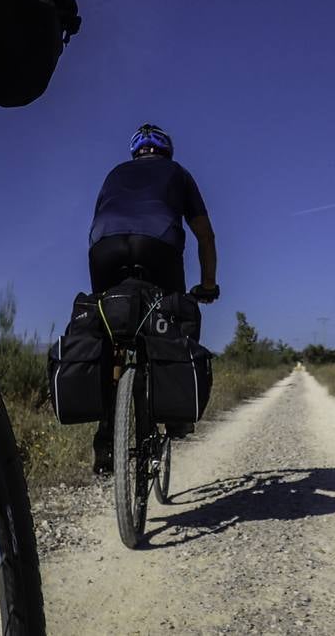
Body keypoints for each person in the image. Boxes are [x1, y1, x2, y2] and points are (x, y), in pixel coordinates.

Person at [87, 123, 219, 474]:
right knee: (173, 319)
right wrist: (208, 286)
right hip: (157, 244)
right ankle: (176, 418)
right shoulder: (178, 172)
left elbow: (99, 219)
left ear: (136, 151)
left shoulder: (114, 173)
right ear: (167, 151)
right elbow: (205, 235)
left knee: (109, 329)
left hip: (105, 247)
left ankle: (104, 444)